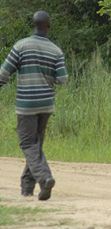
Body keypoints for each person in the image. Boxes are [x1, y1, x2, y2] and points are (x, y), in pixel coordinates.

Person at [0, 11, 67, 201]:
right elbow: (63, 79)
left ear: (33, 24)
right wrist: (47, 77)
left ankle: (45, 177)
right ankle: (27, 188)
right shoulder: (56, 50)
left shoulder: (21, 46)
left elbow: (4, 74)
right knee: (35, 145)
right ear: (49, 26)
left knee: (27, 143)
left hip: (27, 103)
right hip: (46, 104)